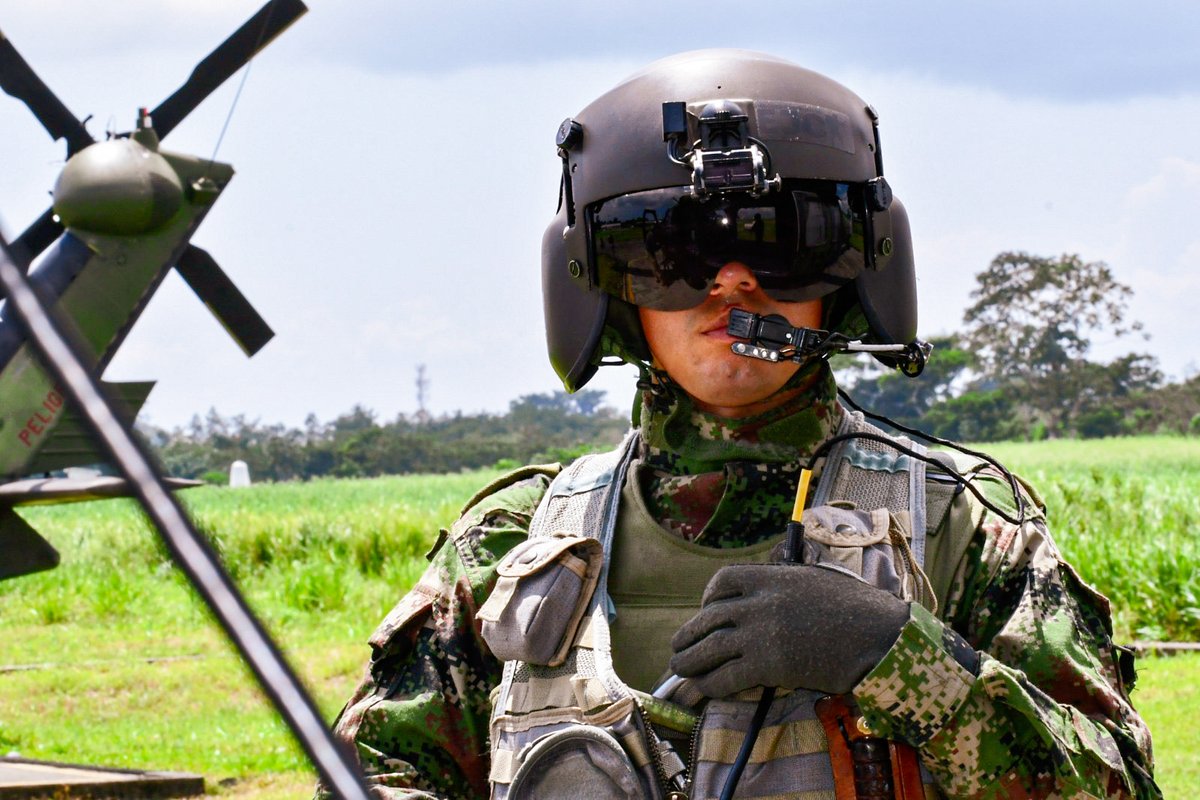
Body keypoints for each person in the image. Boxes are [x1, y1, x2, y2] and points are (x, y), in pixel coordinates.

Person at [321, 50, 1157, 799]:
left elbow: (1118, 786)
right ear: (603, 289)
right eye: (669, 254)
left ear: (852, 273)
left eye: (781, 243)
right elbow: (377, 776)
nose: (730, 284)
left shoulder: (963, 529)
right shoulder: (508, 546)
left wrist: (902, 663)